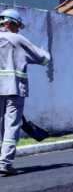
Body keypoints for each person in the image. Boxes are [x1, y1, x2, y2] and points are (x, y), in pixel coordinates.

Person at [0, 9, 50, 176]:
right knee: (11, 125)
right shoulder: (18, 39)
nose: (19, 29)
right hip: (14, 90)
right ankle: (5, 163)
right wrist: (43, 50)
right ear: (10, 23)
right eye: (18, 26)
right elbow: (43, 59)